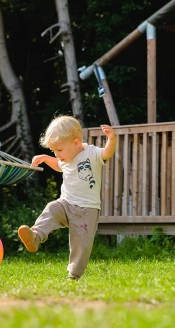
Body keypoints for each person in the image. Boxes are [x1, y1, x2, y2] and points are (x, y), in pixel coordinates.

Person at [18, 115, 115, 280]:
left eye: (59, 150)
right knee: (51, 208)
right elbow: (59, 166)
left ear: (75, 143)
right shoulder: (65, 157)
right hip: (66, 203)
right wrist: (46, 158)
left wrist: (111, 139)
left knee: (81, 244)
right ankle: (35, 236)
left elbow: (106, 153)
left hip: (87, 209)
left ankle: (74, 275)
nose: (56, 154)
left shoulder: (91, 153)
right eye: (53, 151)